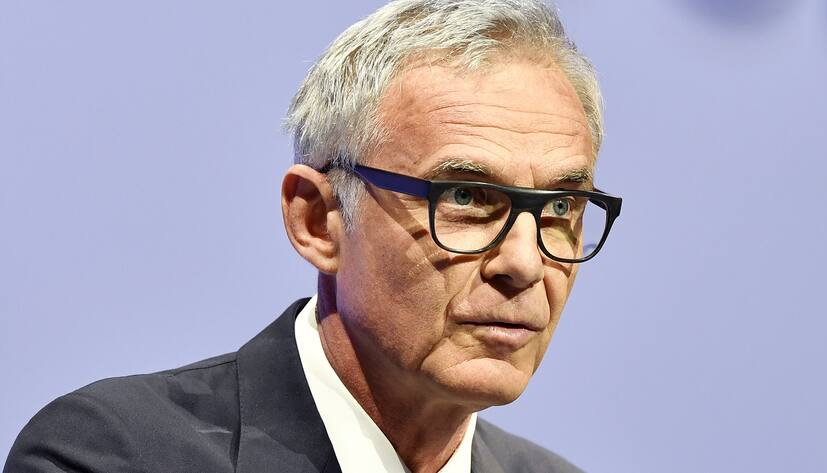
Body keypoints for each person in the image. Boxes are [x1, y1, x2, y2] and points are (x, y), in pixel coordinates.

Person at [4, 0, 622, 472]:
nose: (524, 263)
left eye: (560, 206)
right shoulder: (113, 456)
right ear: (318, 221)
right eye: (465, 197)